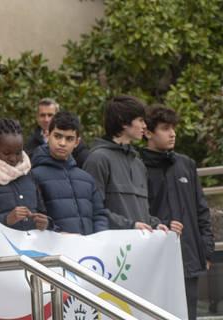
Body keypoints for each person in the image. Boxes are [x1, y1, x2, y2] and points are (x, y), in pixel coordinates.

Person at [140, 106, 213, 320]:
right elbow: (138, 210)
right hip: (154, 257)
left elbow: (201, 209)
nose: (172, 133)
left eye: (173, 128)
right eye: (165, 128)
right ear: (148, 132)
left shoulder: (186, 164)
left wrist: (206, 251)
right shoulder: (138, 166)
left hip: (189, 256)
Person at [83, 95, 167, 231]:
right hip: (113, 248)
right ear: (123, 122)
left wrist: (155, 225)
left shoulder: (138, 163)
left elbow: (141, 213)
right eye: (140, 120)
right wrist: (129, 225)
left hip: (140, 247)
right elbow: (92, 209)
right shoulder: (98, 159)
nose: (144, 126)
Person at [31, 111, 108, 235]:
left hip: (89, 252)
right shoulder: (34, 176)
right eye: (57, 136)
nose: (62, 143)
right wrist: (58, 233)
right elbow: (35, 219)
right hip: (53, 251)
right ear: (48, 135)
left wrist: (98, 240)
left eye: (69, 138)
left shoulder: (87, 179)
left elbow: (99, 215)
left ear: (77, 142)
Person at [0, 119, 49, 231]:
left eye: (18, 153)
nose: (13, 158)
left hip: (30, 246)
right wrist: (6, 220)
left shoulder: (28, 173)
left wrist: (46, 223)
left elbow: (42, 210)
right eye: (6, 153)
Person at [25, 98, 89, 167]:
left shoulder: (79, 148)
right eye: (42, 115)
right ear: (37, 117)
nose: (46, 119)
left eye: (50, 115)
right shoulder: (30, 143)